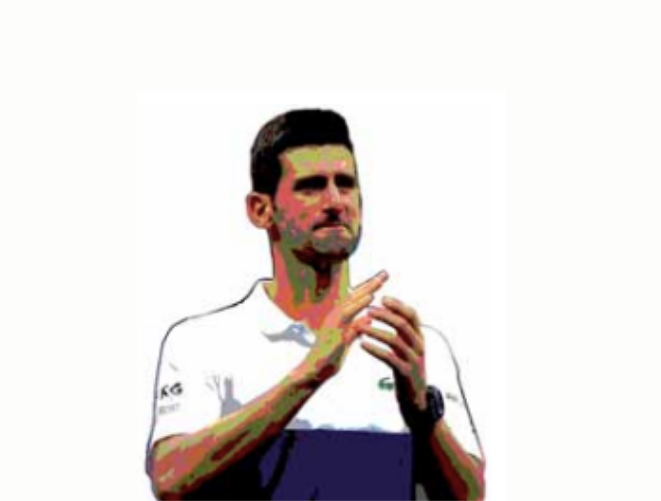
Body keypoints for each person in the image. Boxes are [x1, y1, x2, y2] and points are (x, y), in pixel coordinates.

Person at [145, 109, 486, 500]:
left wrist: (422, 413)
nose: (335, 201)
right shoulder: (201, 342)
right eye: (311, 186)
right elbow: (170, 479)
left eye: (346, 184)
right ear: (260, 209)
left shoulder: (410, 344)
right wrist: (309, 376)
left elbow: (470, 496)